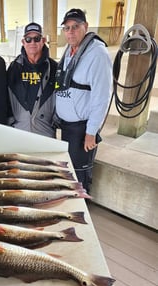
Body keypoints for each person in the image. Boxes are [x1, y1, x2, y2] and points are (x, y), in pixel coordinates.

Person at [53, 8, 112, 193]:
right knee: (68, 170)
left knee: (79, 174)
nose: (70, 32)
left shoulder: (97, 54)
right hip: (67, 126)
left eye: (75, 27)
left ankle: (82, 211)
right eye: (67, 28)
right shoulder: (70, 50)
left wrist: (91, 132)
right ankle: (72, 204)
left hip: (82, 129)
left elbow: (102, 96)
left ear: (85, 27)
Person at [7, 22, 57, 137]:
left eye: (37, 38)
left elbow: (61, 96)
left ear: (43, 41)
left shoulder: (54, 68)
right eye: (28, 39)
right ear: (23, 42)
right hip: (19, 132)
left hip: (45, 132)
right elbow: (6, 96)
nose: (32, 42)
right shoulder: (14, 68)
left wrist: (55, 121)